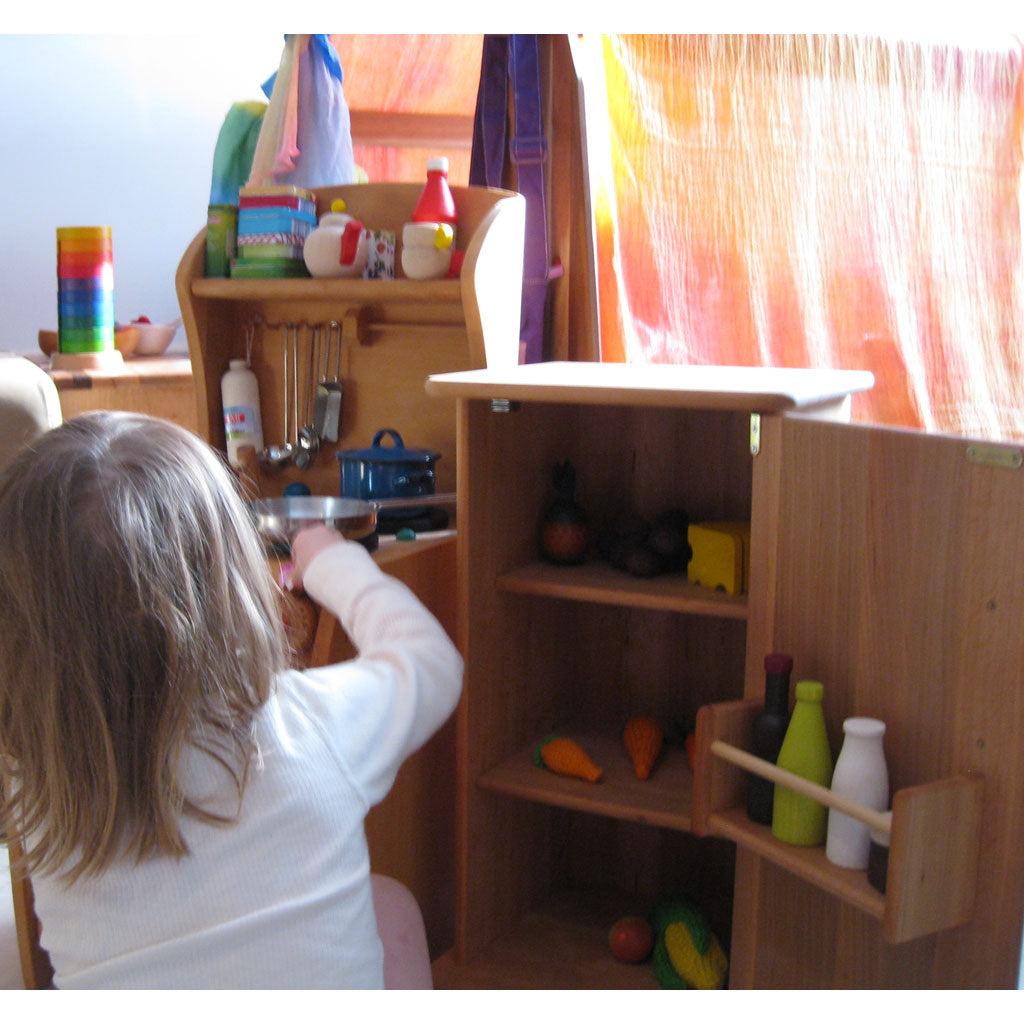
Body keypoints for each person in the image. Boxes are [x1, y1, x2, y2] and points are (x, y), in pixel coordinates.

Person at [0, 411, 462, 988]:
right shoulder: (307, 726)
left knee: (384, 902)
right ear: (235, 582)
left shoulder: (35, 770)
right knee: (392, 907)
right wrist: (333, 564)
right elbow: (430, 661)